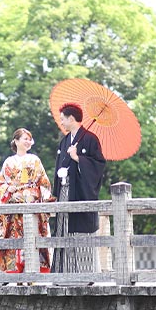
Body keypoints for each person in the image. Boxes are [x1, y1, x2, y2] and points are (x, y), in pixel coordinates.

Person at [51, 103, 106, 273]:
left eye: (63, 119)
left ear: (72, 118)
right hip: (65, 192)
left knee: (82, 232)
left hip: (81, 192)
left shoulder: (90, 139)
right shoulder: (65, 141)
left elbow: (99, 165)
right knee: (63, 230)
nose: (61, 123)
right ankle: (63, 273)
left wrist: (78, 158)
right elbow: (58, 167)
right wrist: (56, 192)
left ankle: (86, 273)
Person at [0, 128, 52, 273]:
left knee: (33, 234)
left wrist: (42, 199)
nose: (28, 141)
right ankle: (15, 270)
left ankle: (35, 270)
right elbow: (0, 183)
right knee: (14, 235)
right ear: (16, 141)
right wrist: (9, 189)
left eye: (29, 139)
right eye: (24, 138)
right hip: (14, 203)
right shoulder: (9, 162)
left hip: (32, 202)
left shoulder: (35, 160)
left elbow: (44, 183)